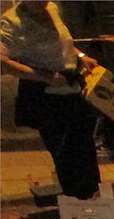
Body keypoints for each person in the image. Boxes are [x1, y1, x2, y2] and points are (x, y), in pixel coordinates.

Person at [0, 0, 101, 200]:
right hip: (47, 92)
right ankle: (79, 202)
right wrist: (44, 76)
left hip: (70, 86)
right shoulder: (11, 21)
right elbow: (2, 61)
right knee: (65, 152)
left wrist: (80, 57)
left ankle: (95, 197)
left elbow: (64, 41)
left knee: (84, 146)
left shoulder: (52, 9)